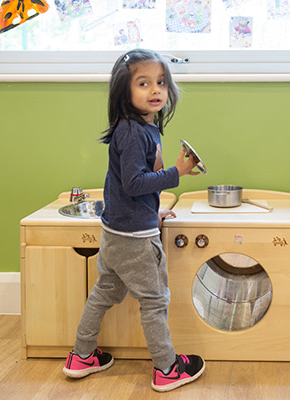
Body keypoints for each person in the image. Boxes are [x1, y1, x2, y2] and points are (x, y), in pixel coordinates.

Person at [62, 48, 205, 392]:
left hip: (118, 231)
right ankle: (167, 368)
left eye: (160, 83)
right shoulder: (132, 131)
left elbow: (130, 190)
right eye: (143, 83)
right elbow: (134, 182)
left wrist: (151, 212)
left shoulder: (144, 127)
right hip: (135, 239)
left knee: (104, 292)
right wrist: (177, 172)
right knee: (155, 301)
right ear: (124, 91)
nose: (155, 90)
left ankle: (81, 356)